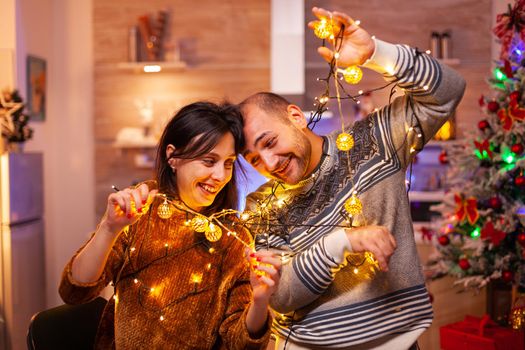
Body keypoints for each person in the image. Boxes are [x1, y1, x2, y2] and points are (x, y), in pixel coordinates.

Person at [240, 7, 466, 350]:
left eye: (270, 142)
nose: (269, 162)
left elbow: (449, 90)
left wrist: (376, 53)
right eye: (254, 159)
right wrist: (343, 241)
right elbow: (282, 296)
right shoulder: (262, 206)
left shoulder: (375, 142)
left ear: (296, 117)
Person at [59, 101, 282, 349]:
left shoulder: (233, 236)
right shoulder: (141, 209)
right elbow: (74, 292)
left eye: (228, 163)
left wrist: (260, 302)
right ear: (173, 157)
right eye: (209, 161)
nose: (220, 175)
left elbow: (239, 343)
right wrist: (109, 228)